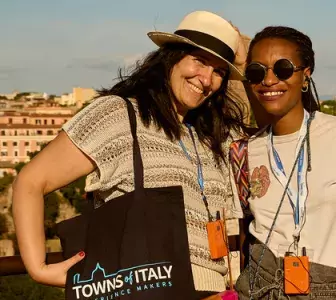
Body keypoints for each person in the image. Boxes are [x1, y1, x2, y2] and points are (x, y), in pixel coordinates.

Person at [12, 10, 248, 298]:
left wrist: (243, 60)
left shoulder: (209, 134)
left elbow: (268, 126)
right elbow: (30, 181)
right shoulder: (119, 115)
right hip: (145, 289)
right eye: (199, 61)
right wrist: (37, 267)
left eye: (219, 71)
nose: (207, 79)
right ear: (171, 57)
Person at [231, 26, 336, 299]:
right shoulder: (248, 150)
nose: (269, 80)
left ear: (305, 74)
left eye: (283, 69)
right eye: (257, 72)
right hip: (260, 288)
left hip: (333, 290)